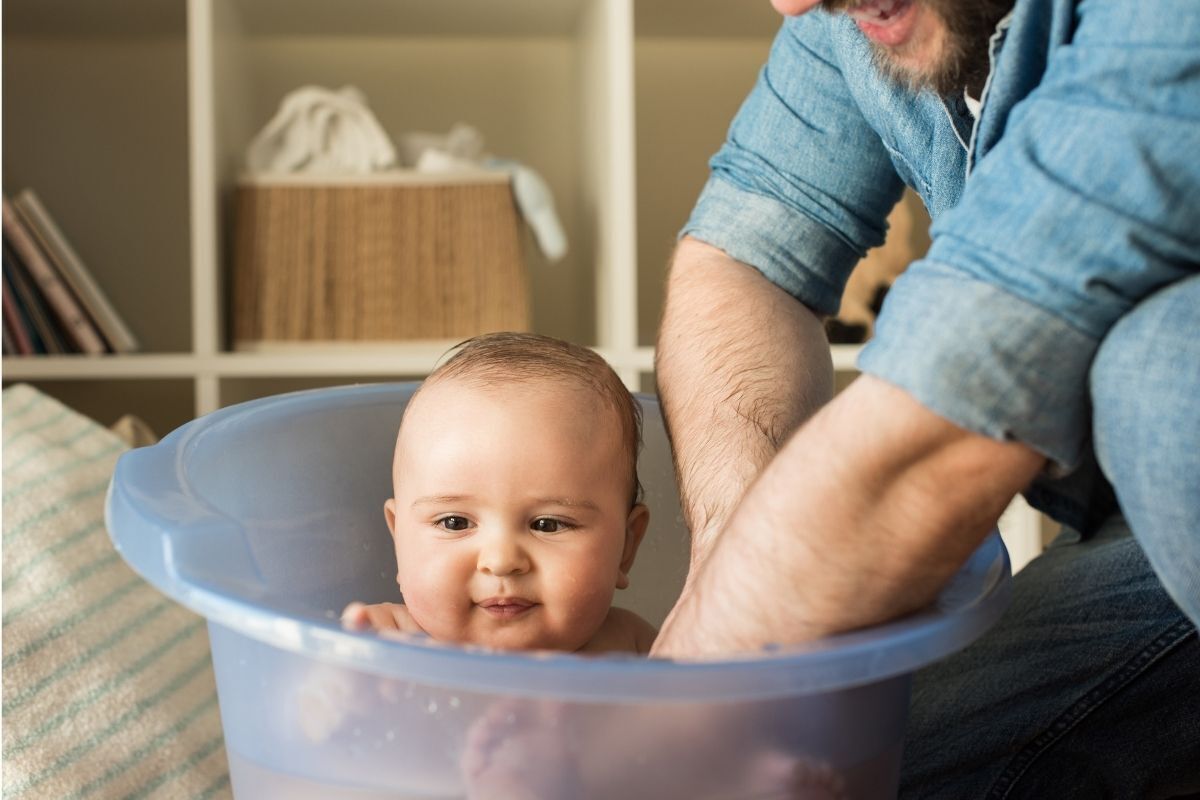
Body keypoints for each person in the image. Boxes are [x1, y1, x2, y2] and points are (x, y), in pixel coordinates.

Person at [651, 0, 1200, 797]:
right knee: (844, 763)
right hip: (1154, 540)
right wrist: (739, 566)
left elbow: (970, 385)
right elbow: (741, 264)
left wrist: (682, 709)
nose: (792, 2)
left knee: (1158, 369)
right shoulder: (851, 17)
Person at [342, 331, 657, 655]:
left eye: (547, 524)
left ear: (626, 546)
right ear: (399, 537)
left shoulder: (632, 648)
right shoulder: (390, 640)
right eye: (454, 522)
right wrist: (349, 678)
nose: (502, 561)